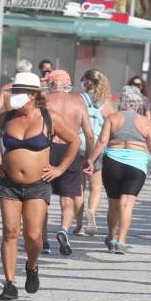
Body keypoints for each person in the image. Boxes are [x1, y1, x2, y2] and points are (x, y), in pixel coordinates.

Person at [0, 72, 79, 299]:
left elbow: (75, 141)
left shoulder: (49, 117)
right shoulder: (5, 118)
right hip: (9, 184)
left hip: (37, 184)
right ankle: (9, 283)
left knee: (34, 236)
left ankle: (32, 266)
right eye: (15, 90)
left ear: (34, 94)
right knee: (10, 232)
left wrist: (60, 169)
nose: (16, 95)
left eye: (21, 91)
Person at [84, 85, 151, 254]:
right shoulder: (144, 122)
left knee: (113, 204)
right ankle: (121, 241)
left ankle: (111, 238)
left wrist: (90, 160)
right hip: (136, 165)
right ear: (138, 102)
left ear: (122, 101)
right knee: (127, 205)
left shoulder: (113, 118)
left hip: (113, 163)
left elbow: (102, 142)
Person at [43, 70, 93, 255]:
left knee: (42, 198)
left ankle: (44, 241)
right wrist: (89, 158)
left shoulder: (46, 101)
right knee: (68, 198)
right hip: (70, 150)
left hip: (47, 149)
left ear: (53, 84)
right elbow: (89, 134)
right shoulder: (78, 102)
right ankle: (63, 229)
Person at [76, 70, 113, 236]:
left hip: (78, 144)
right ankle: (91, 211)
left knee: (79, 187)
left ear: (86, 81)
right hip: (97, 146)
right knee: (96, 187)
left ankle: (78, 225)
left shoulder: (78, 99)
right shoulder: (106, 103)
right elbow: (111, 126)